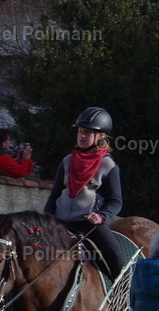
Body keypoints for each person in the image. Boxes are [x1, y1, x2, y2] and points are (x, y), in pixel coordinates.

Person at [43, 107, 124, 278]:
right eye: (80, 131)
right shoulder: (67, 161)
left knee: (116, 256)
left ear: (100, 136)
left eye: (87, 132)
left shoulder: (108, 165)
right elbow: (55, 194)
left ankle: (122, 297)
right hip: (60, 222)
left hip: (88, 224)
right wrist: (47, 218)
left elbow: (116, 201)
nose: (81, 135)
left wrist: (101, 216)